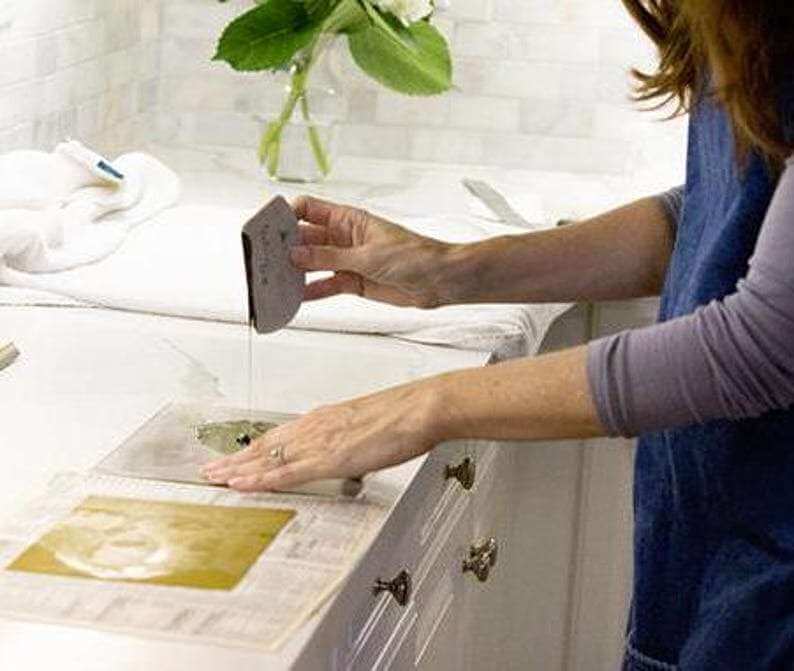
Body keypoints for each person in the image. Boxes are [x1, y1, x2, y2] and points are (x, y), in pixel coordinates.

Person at [202, 1, 794, 667]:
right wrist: (449, 270)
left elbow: (766, 344)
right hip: (710, 550)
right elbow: (725, 210)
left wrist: (425, 406)